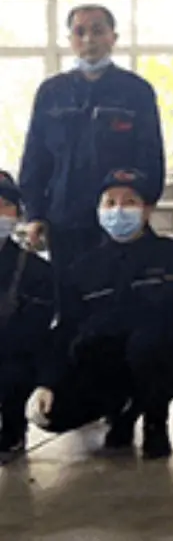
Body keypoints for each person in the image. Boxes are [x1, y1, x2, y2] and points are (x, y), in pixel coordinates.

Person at [27, 169, 173, 459]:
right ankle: (120, 413)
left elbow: (168, 315)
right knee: (53, 413)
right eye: (110, 202)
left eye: (130, 202)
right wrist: (47, 382)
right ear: (99, 210)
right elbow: (66, 326)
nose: (118, 210)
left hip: (158, 358)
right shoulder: (82, 268)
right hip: (106, 361)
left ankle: (155, 419)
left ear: (147, 210)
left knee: (148, 343)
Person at [19, 5, 165, 268]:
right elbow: (35, 158)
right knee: (68, 290)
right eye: (80, 32)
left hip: (119, 218)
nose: (89, 39)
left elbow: (151, 155)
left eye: (98, 31)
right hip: (64, 219)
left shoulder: (136, 90)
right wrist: (34, 213)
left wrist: (146, 205)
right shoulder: (52, 92)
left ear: (113, 37)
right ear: (70, 40)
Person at [0, 171, 55, 458]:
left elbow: (35, 335)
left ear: (18, 214)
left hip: (10, 357)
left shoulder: (36, 271)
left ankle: (11, 431)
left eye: (5, 205)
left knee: (15, 367)